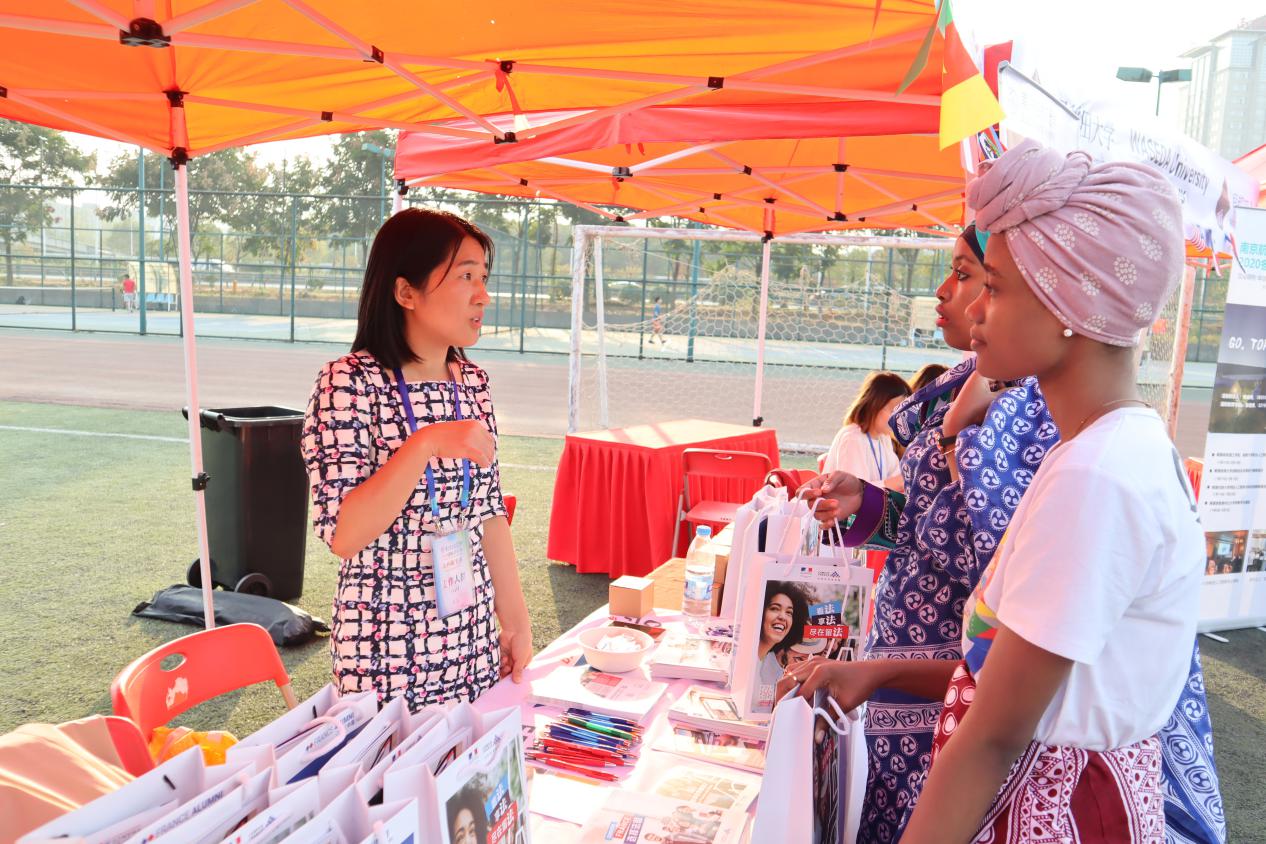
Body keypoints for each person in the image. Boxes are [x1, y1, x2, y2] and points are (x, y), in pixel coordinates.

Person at [787, 141, 1224, 843]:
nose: (976, 311)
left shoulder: (1095, 477)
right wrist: (874, 672)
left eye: (992, 285)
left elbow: (993, 737)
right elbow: (1009, 674)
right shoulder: (1103, 452)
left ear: (1067, 304)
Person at [301, 208, 532, 712]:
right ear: (406, 292)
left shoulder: (472, 383)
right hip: (384, 647)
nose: (483, 295)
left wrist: (515, 622)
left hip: (471, 637)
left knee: (468, 762)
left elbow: (489, 512)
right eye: (466, 277)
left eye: (484, 277)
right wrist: (423, 444)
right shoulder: (348, 383)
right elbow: (344, 534)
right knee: (394, 767)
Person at [821, 371, 909, 488]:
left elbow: (898, 476)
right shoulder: (852, 439)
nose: (900, 418)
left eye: (903, 412)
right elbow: (853, 491)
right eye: (894, 410)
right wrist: (891, 484)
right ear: (874, 405)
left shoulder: (883, 438)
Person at [754, 581, 808, 711]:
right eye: (774, 608)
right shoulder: (745, 659)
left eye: (789, 612)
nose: (783, 617)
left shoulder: (764, 667)